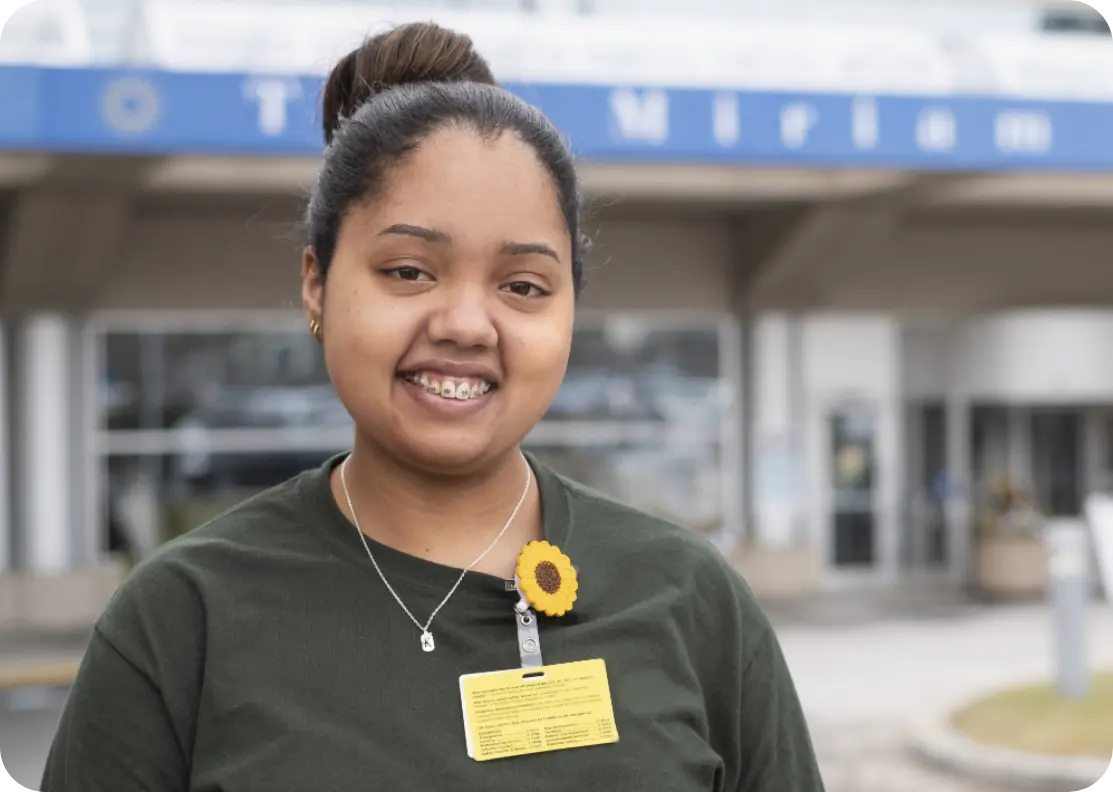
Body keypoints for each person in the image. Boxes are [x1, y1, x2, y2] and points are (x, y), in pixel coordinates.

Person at [40, 22, 826, 792]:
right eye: (410, 271)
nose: (462, 324)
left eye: (522, 286)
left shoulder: (690, 598)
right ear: (316, 282)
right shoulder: (183, 620)